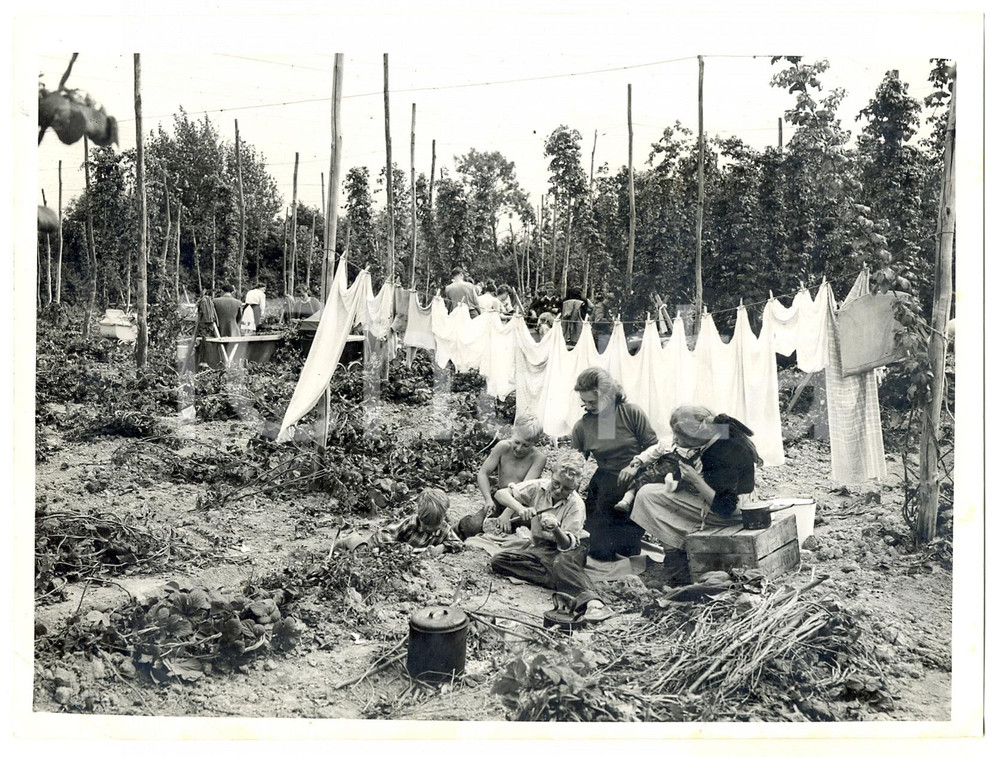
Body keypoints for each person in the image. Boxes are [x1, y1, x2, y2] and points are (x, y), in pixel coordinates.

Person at [489, 459, 613, 623]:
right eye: (556, 484)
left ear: (575, 488)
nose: (558, 490)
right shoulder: (538, 486)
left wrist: (556, 528)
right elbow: (500, 494)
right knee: (500, 560)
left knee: (562, 563)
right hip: (542, 546)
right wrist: (520, 508)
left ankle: (595, 604)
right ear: (551, 476)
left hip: (572, 547)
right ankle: (562, 580)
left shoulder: (576, 505)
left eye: (566, 489)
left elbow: (567, 545)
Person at [627, 406, 762, 552]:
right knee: (654, 491)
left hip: (736, 512)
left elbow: (725, 508)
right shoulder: (722, 431)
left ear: (694, 435)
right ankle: (678, 548)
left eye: (678, 435)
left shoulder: (717, 453)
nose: (675, 439)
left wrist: (695, 479)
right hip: (747, 501)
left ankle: (676, 554)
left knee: (647, 496)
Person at [570, 367, 658, 561]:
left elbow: (654, 449)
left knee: (626, 553)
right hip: (604, 483)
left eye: (592, 402)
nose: (587, 406)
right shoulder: (582, 426)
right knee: (598, 552)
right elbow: (573, 464)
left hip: (635, 481)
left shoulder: (632, 413)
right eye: (583, 402)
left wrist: (634, 467)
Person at [457, 415, 548, 540]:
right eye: (517, 442)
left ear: (535, 443)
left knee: (523, 532)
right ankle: (459, 526)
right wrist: (488, 499)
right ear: (512, 433)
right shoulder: (503, 447)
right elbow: (483, 473)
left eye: (526, 445)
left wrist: (507, 515)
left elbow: (524, 490)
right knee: (473, 527)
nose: (519, 448)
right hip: (500, 499)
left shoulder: (538, 458)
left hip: (522, 505)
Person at [334, 488, 464, 557]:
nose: (429, 529)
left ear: (443, 518)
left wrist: (442, 548)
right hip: (387, 547)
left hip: (409, 556)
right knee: (363, 550)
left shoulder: (444, 528)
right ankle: (348, 540)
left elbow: (458, 543)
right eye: (426, 524)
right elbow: (385, 534)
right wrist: (399, 547)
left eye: (434, 525)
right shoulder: (412, 523)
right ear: (419, 516)